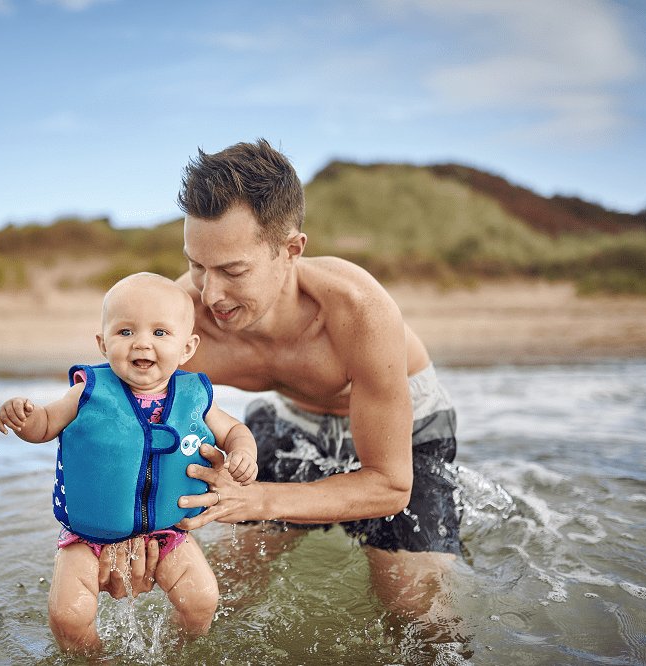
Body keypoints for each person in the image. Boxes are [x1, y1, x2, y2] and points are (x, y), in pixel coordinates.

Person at [105, 139, 469, 623]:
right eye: (197, 266)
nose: (209, 293)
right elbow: (118, 424)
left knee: (413, 610)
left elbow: (389, 484)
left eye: (234, 270)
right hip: (290, 414)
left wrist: (255, 498)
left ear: (291, 250)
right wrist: (125, 529)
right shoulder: (174, 321)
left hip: (406, 423)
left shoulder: (358, 311)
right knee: (226, 586)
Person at [0, 272, 258, 654]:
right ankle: (94, 658)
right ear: (103, 343)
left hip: (167, 533)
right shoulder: (87, 390)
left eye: (160, 333)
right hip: (88, 538)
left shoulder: (195, 396)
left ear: (187, 347)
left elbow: (235, 430)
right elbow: (45, 424)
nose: (142, 343)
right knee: (68, 615)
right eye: (125, 332)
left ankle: (176, 649)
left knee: (202, 599)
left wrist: (243, 454)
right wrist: (24, 416)